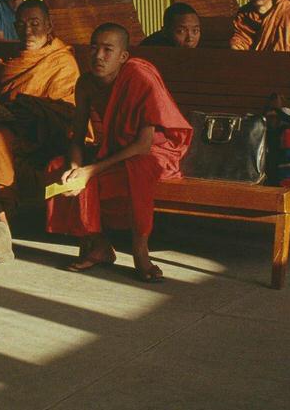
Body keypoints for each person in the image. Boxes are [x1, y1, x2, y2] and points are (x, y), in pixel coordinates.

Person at [49, 24, 192, 283]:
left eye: (107, 50)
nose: (98, 56)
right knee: (58, 167)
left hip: (156, 150)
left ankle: (140, 252)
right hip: (115, 148)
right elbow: (77, 137)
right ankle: (97, 243)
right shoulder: (86, 84)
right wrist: (74, 165)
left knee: (136, 170)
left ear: (123, 56)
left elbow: (143, 145)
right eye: (94, 48)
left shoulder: (139, 77)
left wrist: (90, 169)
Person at [0, 0, 80, 263]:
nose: (27, 30)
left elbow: (65, 114)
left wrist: (21, 109)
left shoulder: (62, 62)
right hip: (10, 133)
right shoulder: (11, 62)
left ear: (49, 26)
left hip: (43, 138)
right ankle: (2, 224)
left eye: (35, 23)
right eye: (21, 25)